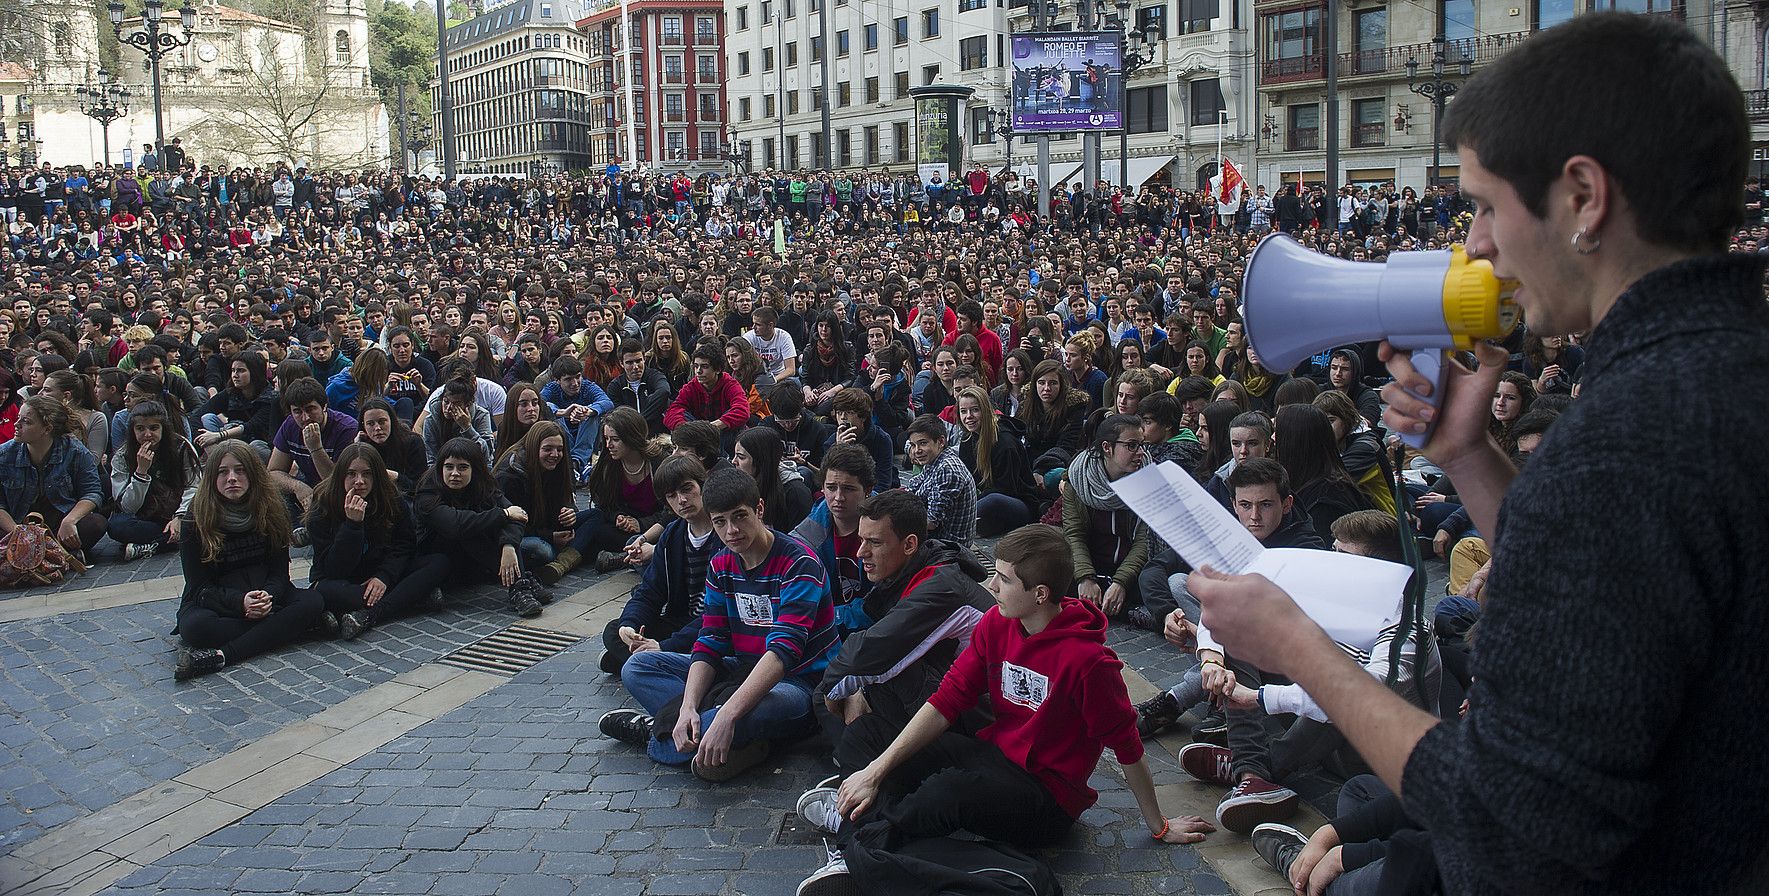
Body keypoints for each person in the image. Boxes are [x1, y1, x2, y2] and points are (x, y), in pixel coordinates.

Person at [1199, 19, 1769, 890]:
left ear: (1583, 196)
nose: (1474, 245)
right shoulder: (1720, 369)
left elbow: (1511, 831)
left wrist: (1297, 645)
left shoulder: (1623, 442)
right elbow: (1609, 591)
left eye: (1486, 204)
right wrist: (1469, 458)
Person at [791, 524, 1213, 894]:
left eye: (1004, 579)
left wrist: (1158, 825)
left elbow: (1127, 746)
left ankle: (858, 844)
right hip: (994, 756)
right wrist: (876, 770)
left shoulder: (1090, 663)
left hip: (1046, 795)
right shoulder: (998, 622)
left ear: (1040, 594)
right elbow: (947, 700)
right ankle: (866, 822)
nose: (991, 586)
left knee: (945, 793)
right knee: (867, 735)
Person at [597, 468, 839, 781]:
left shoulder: (798, 562)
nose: (731, 530)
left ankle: (656, 733)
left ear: (759, 509)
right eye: (720, 522)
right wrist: (686, 707)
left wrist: (726, 715)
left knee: (732, 718)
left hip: (797, 683)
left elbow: (783, 653)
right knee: (637, 667)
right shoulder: (722, 563)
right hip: (737, 670)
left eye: (739, 517)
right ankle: (722, 735)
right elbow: (710, 640)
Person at [813, 488, 994, 747]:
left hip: (983, 717)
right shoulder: (911, 570)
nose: (860, 552)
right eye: (861, 540)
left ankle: (854, 755)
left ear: (909, 544)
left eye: (874, 542)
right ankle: (857, 747)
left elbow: (870, 651)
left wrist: (839, 690)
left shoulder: (941, 586)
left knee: (828, 690)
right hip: (957, 691)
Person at [172, 440, 325, 680]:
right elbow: (199, 586)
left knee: (313, 601)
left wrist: (267, 596)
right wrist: (241, 603)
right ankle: (289, 627)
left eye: (240, 470)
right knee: (194, 627)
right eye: (223, 472)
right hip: (220, 601)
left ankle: (224, 655)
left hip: (266, 594)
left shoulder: (272, 509)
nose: (232, 478)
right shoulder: (195, 519)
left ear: (253, 474)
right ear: (212, 478)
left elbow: (279, 575)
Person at [305, 443, 451, 639]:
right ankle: (411, 598)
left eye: (367, 474)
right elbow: (334, 569)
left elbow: (404, 545)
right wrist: (352, 526)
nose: (359, 481)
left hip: (381, 572)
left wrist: (384, 576)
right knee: (322, 592)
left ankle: (370, 614)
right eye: (351, 474)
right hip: (343, 580)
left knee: (439, 562)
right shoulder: (323, 505)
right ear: (341, 475)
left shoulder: (391, 498)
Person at [600, 455, 722, 674]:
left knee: (711, 642)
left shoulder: (724, 534)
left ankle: (650, 660)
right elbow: (650, 591)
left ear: (703, 486)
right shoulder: (673, 535)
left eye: (687, 490)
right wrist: (630, 625)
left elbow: (720, 613)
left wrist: (664, 646)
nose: (681, 500)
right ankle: (657, 659)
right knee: (614, 631)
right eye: (672, 496)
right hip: (681, 621)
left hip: (717, 624)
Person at [415, 437, 547, 619]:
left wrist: (508, 546)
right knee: (471, 529)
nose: (455, 473)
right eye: (449, 467)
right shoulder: (428, 491)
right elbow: (455, 525)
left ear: (474, 470)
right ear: (440, 468)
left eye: (462, 467)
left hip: (473, 560)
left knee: (506, 533)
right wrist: (504, 514)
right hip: (438, 557)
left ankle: (520, 585)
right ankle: (521, 586)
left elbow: (518, 516)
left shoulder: (484, 484)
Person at [1060, 413, 1150, 620]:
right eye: (1132, 446)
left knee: (1154, 579)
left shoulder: (1149, 479)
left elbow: (1145, 540)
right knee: (1050, 563)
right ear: (1107, 448)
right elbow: (1074, 533)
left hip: (1131, 568)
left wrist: (1121, 582)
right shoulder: (1079, 478)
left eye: (1142, 445)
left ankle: (1128, 608)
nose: (1141, 453)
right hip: (1092, 561)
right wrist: (1085, 577)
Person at [0, 395, 108, 556]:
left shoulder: (74, 451)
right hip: (19, 522)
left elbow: (92, 493)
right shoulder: (5, 454)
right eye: (18, 418)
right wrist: (19, 533)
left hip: (58, 522)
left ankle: (50, 552)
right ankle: (55, 553)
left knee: (96, 523)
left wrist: (70, 520)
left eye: (26, 422)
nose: (17, 425)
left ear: (47, 429)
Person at [791, 443, 878, 630]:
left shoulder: (888, 528)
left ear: (868, 490)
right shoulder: (805, 536)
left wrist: (828, 617)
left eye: (848, 489)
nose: (838, 497)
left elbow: (882, 604)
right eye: (831, 487)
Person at [107, 399, 200, 561]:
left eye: (154, 428)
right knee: (117, 525)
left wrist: (179, 517)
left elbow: (193, 485)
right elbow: (128, 507)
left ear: (163, 428)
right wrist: (141, 473)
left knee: (197, 523)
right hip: (147, 516)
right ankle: (172, 540)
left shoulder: (181, 446)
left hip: (180, 512)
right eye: (140, 429)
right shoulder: (122, 456)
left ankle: (153, 546)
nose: (147, 434)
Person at [581, 406, 670, 572]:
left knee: (658, 538)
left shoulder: (658, 463)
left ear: (631, 437)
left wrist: (641, 524)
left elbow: (670, 511)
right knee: (597, 528)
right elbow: (603, 504)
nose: (609, 445)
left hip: (655, 527)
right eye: (606, 439)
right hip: (623, 529)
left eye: (615, 439)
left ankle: (625, 558)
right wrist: (618, 517)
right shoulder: (609, 464)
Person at [267, 377, 358, 538]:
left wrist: (315, 448)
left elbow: (339, 482)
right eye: (297, 411)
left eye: (310, 409)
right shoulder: (290, 425)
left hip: (339, 492)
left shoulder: (346, 429)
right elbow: (273, 472)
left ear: (324, 406)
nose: (305, 418)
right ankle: (296, 530)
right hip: (307, 483)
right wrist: (298, 487)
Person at [953, 385, 1040, 537]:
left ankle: (954, 521)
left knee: (992, 500)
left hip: (1018, 502)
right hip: (987, 496)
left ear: (985, 410)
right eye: (963, 411)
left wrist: (967, 504)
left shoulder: (1005, 442)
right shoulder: (968, 438)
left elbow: (1006, 489)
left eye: (975, 410)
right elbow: (967, 479)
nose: (969, 416)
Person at [901, 415, 977, 547]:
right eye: (913, 445)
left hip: (948, 547)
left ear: (941, 441)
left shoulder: (947, 469)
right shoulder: (935, 460)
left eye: (923, 443)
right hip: (936, 536)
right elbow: (913, 488)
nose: (917, 450)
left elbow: (931, 522)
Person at [192, 349, 281, 459]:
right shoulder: (230, 393)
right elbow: (197, 415)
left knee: (256, 446)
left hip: (257, 443)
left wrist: (218, 436)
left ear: (254, 372)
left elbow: (252, 426)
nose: (235, 375)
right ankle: (217, 459)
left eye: (241, 371)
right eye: (233, 370)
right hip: (231, 439)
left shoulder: (271, 398)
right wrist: (204, 440)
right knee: (207, 418)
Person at [539, 355, 613, 485]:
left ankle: (576, 464)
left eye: (578, 377)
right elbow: (540, 403)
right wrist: (562, 412)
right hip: (564, 438)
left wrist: (587, 410)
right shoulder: (551, 389)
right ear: (557, 380)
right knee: (554, 419)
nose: (575, 383)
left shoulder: (588, 386)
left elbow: (606, 402)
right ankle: (577, 464)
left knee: (592, 416)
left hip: (587, 437)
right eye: (568, 379)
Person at [663, 342, 751, 441]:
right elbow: (672, 412)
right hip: (698, 435)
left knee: (735, 421)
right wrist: (688, 428)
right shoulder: (691, 387)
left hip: (724, 435)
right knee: (681, 414)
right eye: (696, 366)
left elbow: (742, 410)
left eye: (704, 366)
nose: (698, 371)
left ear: (718, 369)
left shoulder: (730, 385)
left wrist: (713, 426)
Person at [734, 426, 815, 531]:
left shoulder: (796, 494)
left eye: (741, 457)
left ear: (761, 460)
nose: (733, 461)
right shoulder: (742, 486)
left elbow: (801, 541)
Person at [823, 386, 898, 491]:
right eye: (839, 413)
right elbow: (829, 480)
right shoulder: (832, 441)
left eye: (849, 413)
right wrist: (839, 450)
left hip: (873, 493)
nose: (843, 418)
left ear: (863, 417)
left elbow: (883, 482)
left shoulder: (882, 439)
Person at [354, 398, 428, 500]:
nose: (377, 428)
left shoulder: (412, 442)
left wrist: (395, 477)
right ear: (364, 426)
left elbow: (420, 486)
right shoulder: (363, 445)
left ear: (391, 421)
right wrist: (356, 450)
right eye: (370, 424)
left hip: (406, 499)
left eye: (382, 422)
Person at [606, 338, 672, 435]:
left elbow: (664, 391)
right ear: (621, 363)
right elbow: (618, 417)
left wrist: (640, 421)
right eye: (629, 363)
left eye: (638, 361)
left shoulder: (655, 376)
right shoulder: (615, 386)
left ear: (644, 359)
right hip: (630, 436)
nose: (635, 367)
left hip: (657, 436)